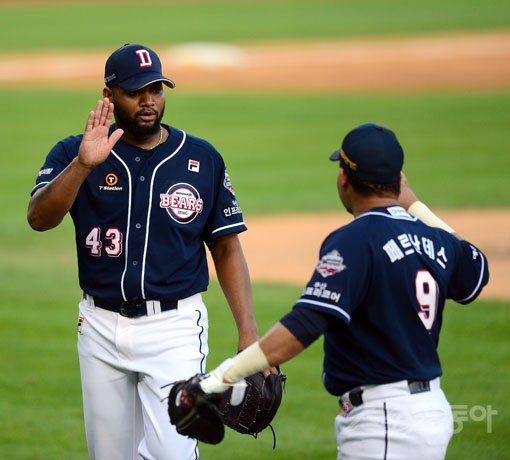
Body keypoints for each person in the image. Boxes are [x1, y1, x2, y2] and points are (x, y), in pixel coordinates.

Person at [197, 123, 490, 459]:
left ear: (344, 179)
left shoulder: (353, 241)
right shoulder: (435, 241)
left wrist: (220, 378)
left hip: (385, 420)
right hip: (430, 410)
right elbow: (476, 270)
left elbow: (305, 324)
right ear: (398, 180)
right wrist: (413, 204)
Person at [27, 43, 260, 460]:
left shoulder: (201, 158)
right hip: (98, 325)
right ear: (109, 95)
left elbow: (226, 247)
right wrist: (83, 166)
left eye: (156, 89)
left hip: (173, 329)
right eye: (136, 91)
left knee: (172, 453)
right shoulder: (73, 152)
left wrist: (249, 335)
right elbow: (39, 219)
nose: (148, 101)